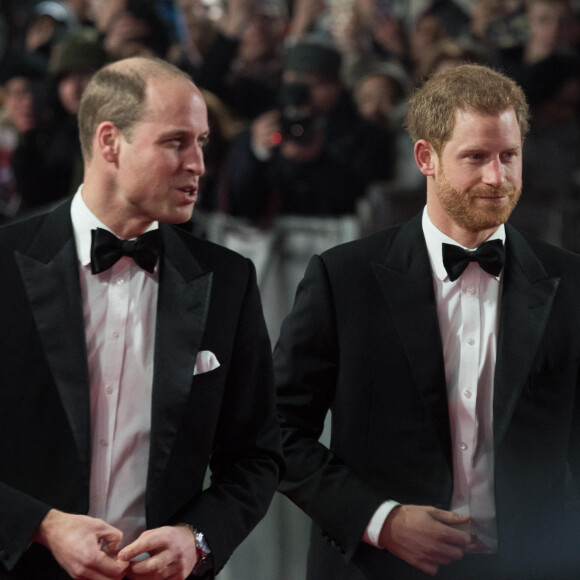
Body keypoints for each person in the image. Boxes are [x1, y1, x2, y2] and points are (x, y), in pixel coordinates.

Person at [274, 63, 580, 580]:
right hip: (377, 566)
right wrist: (380, 519)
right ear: (426, 157)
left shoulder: (570, 283)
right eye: (476, 157)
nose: (497, 177)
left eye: (509, 156)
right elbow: (276, 430)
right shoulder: (343, 278)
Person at [0, 55, 283, 579]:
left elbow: (256, 457)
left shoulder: (227, 281)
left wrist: (197, 539)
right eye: (177, 142)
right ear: (110, 142)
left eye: (201, 142)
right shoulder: (6, 264)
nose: (199, 163)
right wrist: (41, 525)